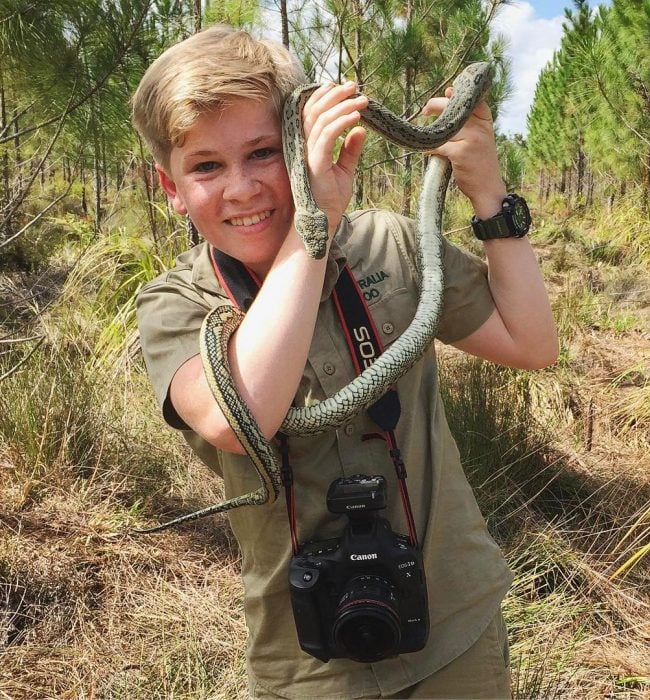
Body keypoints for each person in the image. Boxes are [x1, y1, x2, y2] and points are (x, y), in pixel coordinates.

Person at [132, 24, 557, 700]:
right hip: (308, 667)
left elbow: (533, 345)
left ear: (306, 142)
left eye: (265, 153)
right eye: (206, 166)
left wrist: (489, 197)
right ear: (172, 188)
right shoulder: (174, 305)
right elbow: (238, 415)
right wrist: (315, 225)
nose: (241, 189)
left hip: (456, 628)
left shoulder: (389, 245)